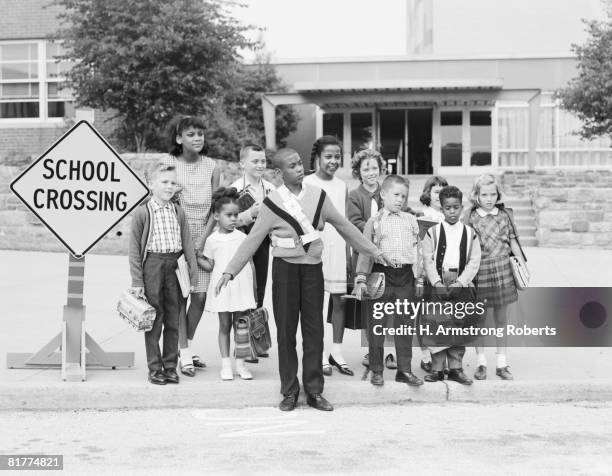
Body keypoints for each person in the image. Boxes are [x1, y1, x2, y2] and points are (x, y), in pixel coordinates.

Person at [215, 148, 392, 412]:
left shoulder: (319, 197)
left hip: (312, 272)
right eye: (292, 165)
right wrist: (230, 270)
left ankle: (314, 391)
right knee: (286, 333)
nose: (300, 168)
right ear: (278, 173)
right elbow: (253, 240)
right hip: (284, 271)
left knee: (314, 332)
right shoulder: (272, 203)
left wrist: (373, 250)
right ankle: (289, 391)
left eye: (300, 163)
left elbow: (345, 227)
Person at [129, 162, 198, 385]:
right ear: (151, 185)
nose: (170, 186)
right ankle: (154, 367)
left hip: (175, 264)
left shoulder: (178, 211)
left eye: (173, 182)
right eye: (164, 182)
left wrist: (193, 274)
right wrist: (137, 280)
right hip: (153, 265)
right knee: (154, 318)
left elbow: (188, 244)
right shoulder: (142, 213)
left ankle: (170, 366)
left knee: (173, 318)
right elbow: (134, 251)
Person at [163, 116, 221, 377]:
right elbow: (164, 201)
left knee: (199, 296)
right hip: (177, 236)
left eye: (200, 133)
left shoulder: (212, 166)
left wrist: (202, 241)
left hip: (205, 235)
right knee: (180, 297)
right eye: (191, 134)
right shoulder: (169, 164)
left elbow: (217, 208)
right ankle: (184, 353)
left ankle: (183, 347)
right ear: (179, 139)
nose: (197, 138)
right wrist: (187, 243)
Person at [354, 175, 424, 387]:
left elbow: (417, 250)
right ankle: (377, 369)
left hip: (405, 277)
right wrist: (361, 278)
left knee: (405, 325)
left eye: (404, 196)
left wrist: (419, 278)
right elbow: (365, 251)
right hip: (381, 275)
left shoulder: (411, 220)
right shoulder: (374, 222)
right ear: (383, 194)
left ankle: (404, 369)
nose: (400, 199)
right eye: (396, 195)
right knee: (377, 325)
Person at [465, 174, 528, 381]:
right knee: (479, 319)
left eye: (493, 194)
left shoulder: (503, 215)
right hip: (481, 270)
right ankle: (481, 362)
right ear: (477, 195)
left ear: (498, 194)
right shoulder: (471, 217)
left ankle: (502, 362)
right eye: (484, 194)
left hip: (502, 269)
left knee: (501, 319)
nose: (489, 198)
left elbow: (513, 241)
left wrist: (522, 264)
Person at [421, 186, 481, 385]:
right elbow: (427, 259)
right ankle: (437, 368)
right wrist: (437, 282)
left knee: (458, 326)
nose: (452, 211)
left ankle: (455, 368)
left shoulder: (470, 233)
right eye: (448, 208)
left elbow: (474, 261)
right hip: (438, 285)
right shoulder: (433, 232)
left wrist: (462, 282)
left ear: (462, 207)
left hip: (461, 285)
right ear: (442, 209)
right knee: (438, 326)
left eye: (456, 207)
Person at [304, 136, 353, 377]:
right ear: (318, 157)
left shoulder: (342, 186)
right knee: (314, 302)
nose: (333, 161)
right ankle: (320, 352)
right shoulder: (306, 183)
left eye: (337, 157)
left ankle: (337, 350)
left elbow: (343, 221)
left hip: (338, 246)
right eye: (328, 156)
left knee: (339, 300)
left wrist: (348, 250)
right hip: (314, 248)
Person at [198, 187, 257, 381]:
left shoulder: (242, 237)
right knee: (224, 325)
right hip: (221, 287)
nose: (233, 219)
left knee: (241, 326)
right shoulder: (212, 240)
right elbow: (210, 265)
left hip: (241, 285)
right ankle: (225, 365)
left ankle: (240, 364)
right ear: (216, 215)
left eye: (236, 215)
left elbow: (249, 263)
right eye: (229, 215)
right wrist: (196, 257)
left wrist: (254, 289)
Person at [347, 149, 395, 370]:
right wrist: (373, 230)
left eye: (374, 168)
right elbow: (354, 223)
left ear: (381, 169)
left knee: (389, 305)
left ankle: (389, 351)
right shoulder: (355, 196)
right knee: (371, 304)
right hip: (366, 255)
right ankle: (371, 350)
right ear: (358, 171)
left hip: (389, 254)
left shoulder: (387, 191)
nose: (371, 172)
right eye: (366, 169)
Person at [416, 175, 449, 373]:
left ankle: (440, 356)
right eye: (436, 192)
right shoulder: (422, 215)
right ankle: (425, 354)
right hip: (425, 271)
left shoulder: (451, 215)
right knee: (424, 315)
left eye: (443, 192)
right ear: (428, 194)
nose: (440, 196)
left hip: (445, 273)